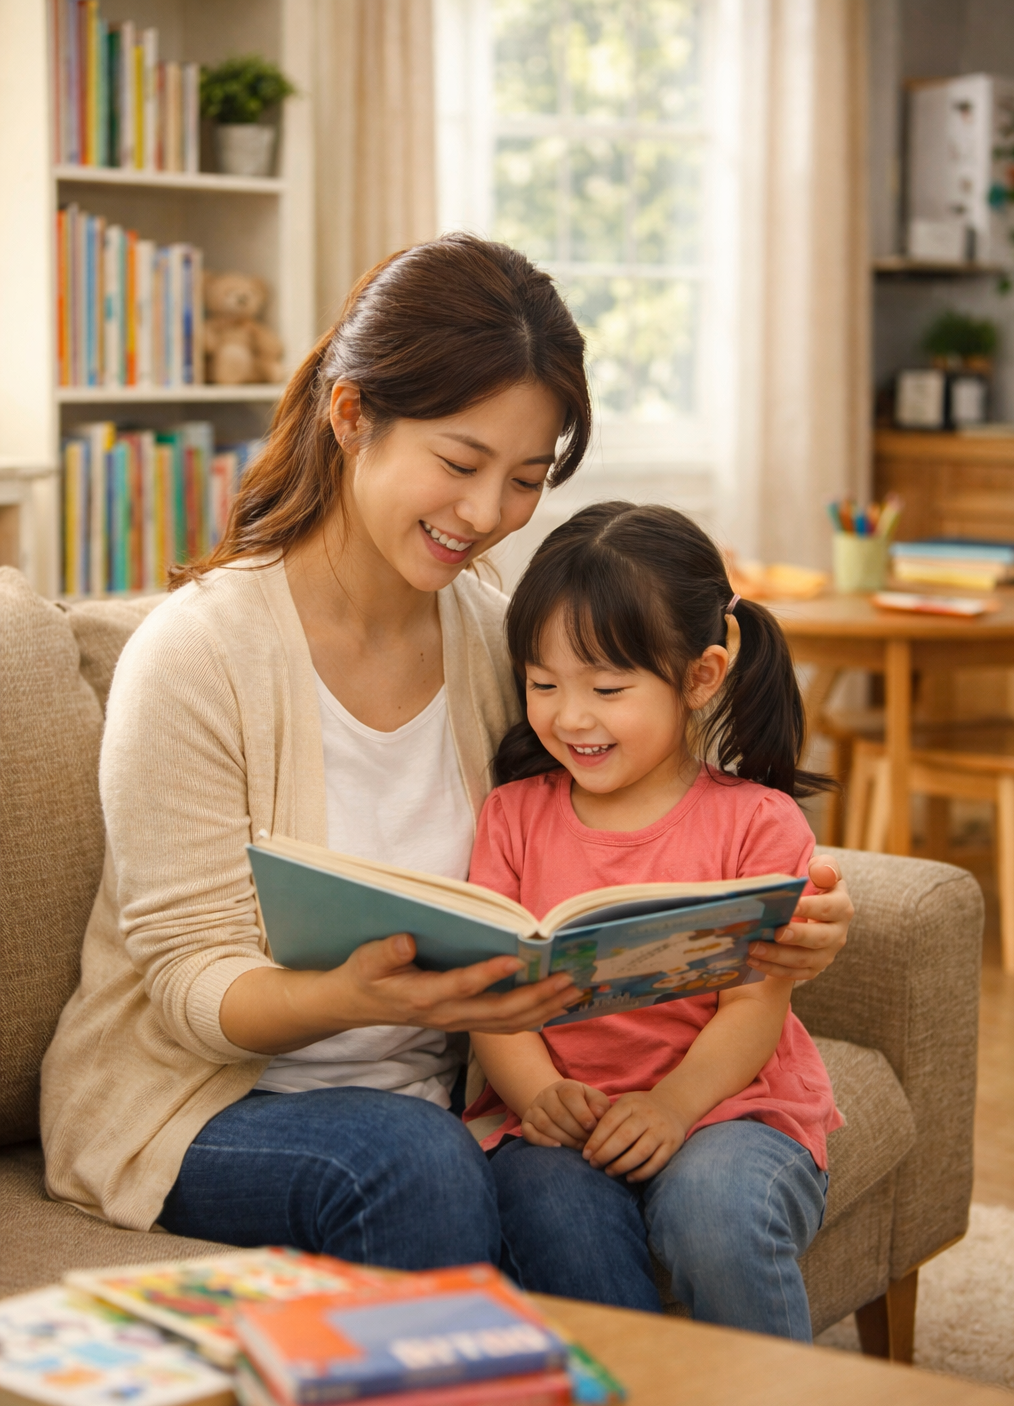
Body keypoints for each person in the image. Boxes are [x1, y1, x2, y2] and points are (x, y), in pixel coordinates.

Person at [41, 236, 853, 1280]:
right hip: (209, 1106)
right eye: (460, 465)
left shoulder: (498, 641)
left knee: (503, 1170)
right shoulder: (195, 657)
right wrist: (372, 997)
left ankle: (630, 1390)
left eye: (525, 479)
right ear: (351, 417)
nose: (485, 516)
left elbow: (639, 813)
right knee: (419, 1161)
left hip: (451, 1096)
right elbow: (189, 988)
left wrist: (786, 927)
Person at [465, 503, 844, 1341]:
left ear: (700, 678)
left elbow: (755, 1007)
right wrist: (539, 1096)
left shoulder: (758, 825)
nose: (571, 717)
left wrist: (672, 1108)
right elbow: (490, 992)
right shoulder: (511, 817)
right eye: (543, 684)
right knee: (549, 1210)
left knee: (716, 1210)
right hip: (558, 1113)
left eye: (607, 689)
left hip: (730, 1108)